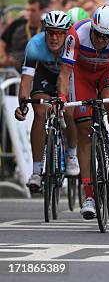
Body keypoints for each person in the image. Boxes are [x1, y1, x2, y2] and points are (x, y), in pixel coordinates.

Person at [56, 5, 109, 220]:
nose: (101, 40)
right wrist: (62, 99)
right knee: (83, 131)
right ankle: (89, 195)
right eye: (97, 34)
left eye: (106, 37)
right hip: (81, 75)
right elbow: (64, 73)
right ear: (92, 27)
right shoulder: (76, 35)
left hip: (108, 71)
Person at [14, 11, 79, 191]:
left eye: (59, 33)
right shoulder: (35, 44)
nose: (54, 38)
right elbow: (26, 79)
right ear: (45, 32)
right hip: (45, 77)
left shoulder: (73, 44)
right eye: (50, 32)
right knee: (40, 111)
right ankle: (36, 171)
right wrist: (23, 105)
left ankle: (72, 154)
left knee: (70, 112)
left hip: (70, 77)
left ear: (67, 34)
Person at [0, 0, 45, 70]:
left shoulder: (46, 28)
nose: (30, 13)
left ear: (41, 11)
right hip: (13, 65)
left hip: (37, 65)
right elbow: (2, 42)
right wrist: (4, 57)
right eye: (27, 10)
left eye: (33, 10)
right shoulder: (17, 24)